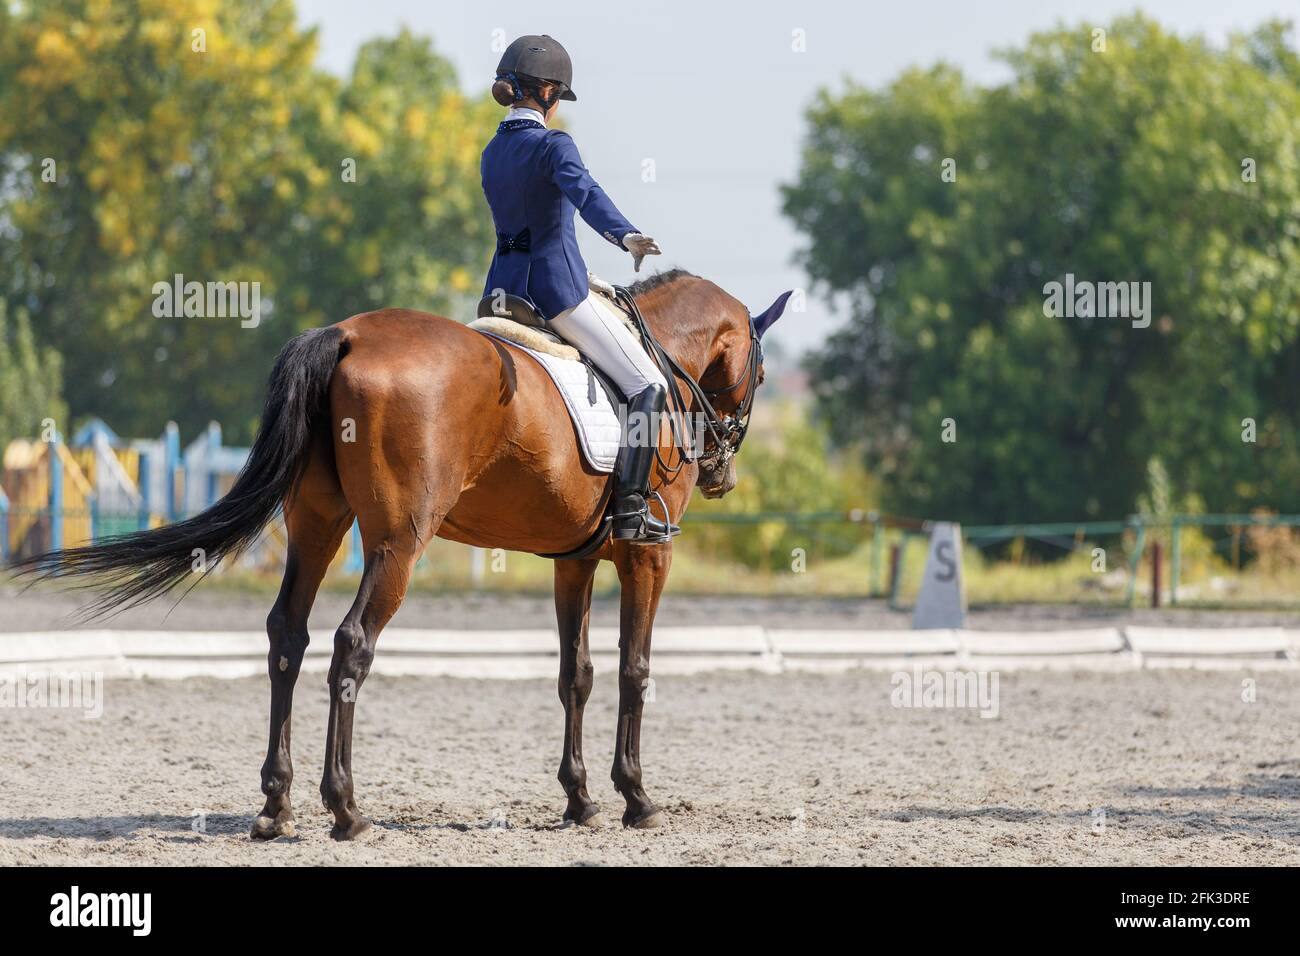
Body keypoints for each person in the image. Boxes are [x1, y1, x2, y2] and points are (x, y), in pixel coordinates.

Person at [481, 34, 678, 542]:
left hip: (501, 292)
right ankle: (631, 511)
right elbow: (584, 193)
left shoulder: (492, 151)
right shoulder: (553, 145)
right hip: (554, 292)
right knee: (647, 385)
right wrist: (625, 234)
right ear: (547, 90)